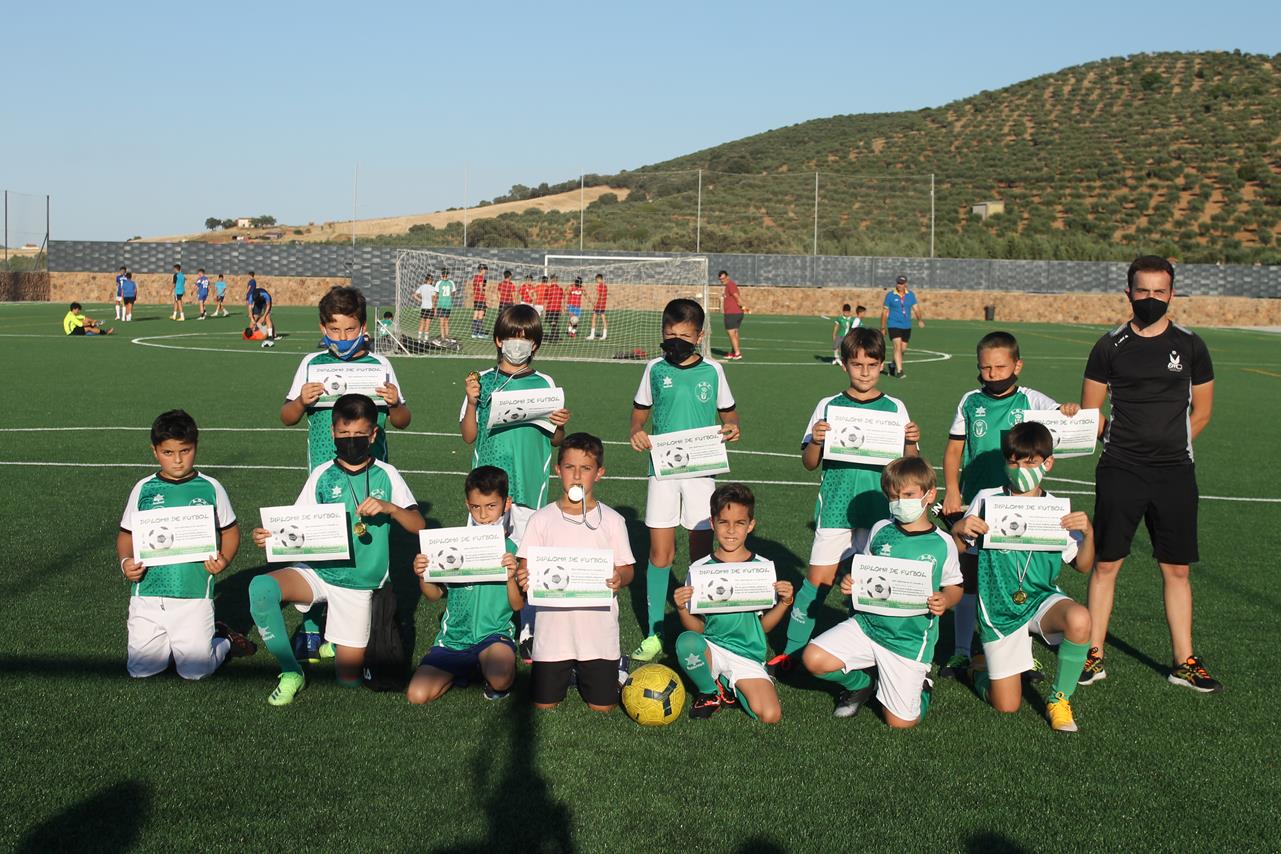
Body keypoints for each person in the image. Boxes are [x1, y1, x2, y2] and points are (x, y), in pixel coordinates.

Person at [1079, 255, 1220, 692]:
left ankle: (1184, 661)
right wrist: (1123, 444)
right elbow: (1091, 412)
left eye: (1160, 291)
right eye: (1143, 290)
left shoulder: (1191, 345)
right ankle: (1093, 654)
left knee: (1176, 569)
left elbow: (1203, 412)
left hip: (1175, 472)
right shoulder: (1109, 345)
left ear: (1172, 293)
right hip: (1120, 469)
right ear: (1128, 292)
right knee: (1106, 564)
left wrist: (1172, 445)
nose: (1152, 298)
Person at [249, 393, 425, 705]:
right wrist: (268, 536)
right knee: (261, 588)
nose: (351, 441)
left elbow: (418, 525)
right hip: (319, 572)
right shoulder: (321, 475)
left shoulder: (387, 474)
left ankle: (335, 638)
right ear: (332, 433)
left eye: (359, 435)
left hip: (358, 585)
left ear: (373, 435)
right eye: (344, 434)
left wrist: (391, 508)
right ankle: (291, 671)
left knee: (348, 678)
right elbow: (295, 524)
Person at [938, 331, 1081, 679]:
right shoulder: (970, 401)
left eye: (1000, 366)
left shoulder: (1031, 400)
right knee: (968, 577)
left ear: (1017, 365)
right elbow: (955, 450)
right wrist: (953, 491)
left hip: (1020, 504)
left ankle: (1022, 655)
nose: (993, 373)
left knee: (1019, 578)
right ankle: (961, 651)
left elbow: (1062, 413)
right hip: (978, 503)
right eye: (985, 367)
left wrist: (1068, 409)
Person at [778, 327, 920, 667]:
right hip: (837, 509)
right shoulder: (829, 406)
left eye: (872, 365)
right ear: (844, 365)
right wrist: (816, 439)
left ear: (882, 365)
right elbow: (810, 464)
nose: (865, 372)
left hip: (881, 512)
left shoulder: (895, 407)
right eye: (857, 365)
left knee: (874, 585)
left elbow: (910, 466)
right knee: (817, 582)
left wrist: (911, 440)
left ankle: (867, 655)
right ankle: (792, 651)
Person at [952, 421, 1096, 732]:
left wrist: (1089, 532)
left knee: (1080, 618)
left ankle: (1059, 699)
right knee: (1007, 706)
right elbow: (956, 551)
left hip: (1040, 600)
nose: (1020, 468)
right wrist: (960, 531)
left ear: (1048, 463)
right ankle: (977, 669)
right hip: (998, 608)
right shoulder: (987, 499)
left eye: (1030, 461)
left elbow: (1082, 565)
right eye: (1013, 461)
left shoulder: (1057, 510)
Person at [802, 456, 962, 726]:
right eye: (893, 496)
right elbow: (866, 571)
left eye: (909, 494)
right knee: (813, 658)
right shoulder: (880, 529)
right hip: (868, 626)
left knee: (900, 723)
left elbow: (955, 586)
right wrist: (852, 582)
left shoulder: (943, 543)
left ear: (930, 494)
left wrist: (945, 599)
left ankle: (922, 686)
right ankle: (861, 683)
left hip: (908, 641)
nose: (901, 502)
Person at [629, 298, 740, 662]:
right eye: (669, 335)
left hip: (701, 474)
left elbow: (729, 413)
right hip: (662, 472)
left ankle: (702, 625)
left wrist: (733, 428)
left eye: (684, 335)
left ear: (700, 336)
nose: (675, 341)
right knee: (661, 554)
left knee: (699, 552)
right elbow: (639, 415)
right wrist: (637, 432)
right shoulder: (654, 369)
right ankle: (654, 633)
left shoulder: (713, 371)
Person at [461, 304, 572, 657]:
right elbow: (467, 435)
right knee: (486, 556)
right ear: (498, 339)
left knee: (526, 560)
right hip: (488, 490)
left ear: (536, 344)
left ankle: (527, 630)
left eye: (526, 338)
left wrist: (561, 422)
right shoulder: (482, 381)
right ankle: (482, 626)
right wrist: (470, 400)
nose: (518, 344)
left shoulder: (546, 384)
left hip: (528, 487)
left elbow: (556, 439)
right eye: (511, 336)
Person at [118, 410, 255, 678]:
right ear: (155, 451)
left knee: (195, 673)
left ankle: (224, 641)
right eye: (168, 452)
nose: (178, 460)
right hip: (148, 595)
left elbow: (230, 531)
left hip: (194, 596)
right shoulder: (143, 488)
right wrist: (126, 562)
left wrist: (224, 559)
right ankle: (174, 642)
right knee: (141, 671)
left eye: (185, 450)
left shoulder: (210, 487)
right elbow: (126, 535)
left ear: (195, 447)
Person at [516, 433, 636, 711]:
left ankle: (615, 670)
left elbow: (627, 568)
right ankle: (568, 672)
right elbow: (526, 568)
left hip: (598, 633)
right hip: (552, 634)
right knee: (544, 705)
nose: (577, 475)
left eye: (586, 468)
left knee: (602, 707)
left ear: (600, 473)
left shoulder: (613, 521)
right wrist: (524, 576)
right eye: (570, 467)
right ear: (558, 471)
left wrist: (620, 578)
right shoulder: (541, 519)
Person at [674, 483, 793, 723]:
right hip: (713, 648)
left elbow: (764, 628)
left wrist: (784, 603)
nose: (731, 530)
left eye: (739, 523)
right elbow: (697, 630)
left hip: (747, 655)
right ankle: (709, 691)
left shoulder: (761, 568)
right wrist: (680, 608)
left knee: (770, 716)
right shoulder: (699, 570)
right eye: (723, 522)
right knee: (687, 642)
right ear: (712, 523)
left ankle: (727, 684)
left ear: (751, 525)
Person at [407, 466, 523, 705]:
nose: (483, 514)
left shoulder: (514, 548)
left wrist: (511, 576)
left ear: (506, 503)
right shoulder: (453, 542)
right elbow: (433, 595)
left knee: (500, 679)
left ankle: (484, 666)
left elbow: (517, 604)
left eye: (491, 506)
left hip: (493, 635)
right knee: (417, 695)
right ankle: (465, 668)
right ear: (467, 504)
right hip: (454, 638)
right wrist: (423, 575)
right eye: (476, 507)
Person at [880, 275, 924, 378]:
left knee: (903, 349)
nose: (900, 285)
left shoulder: (910, 295)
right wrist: (883, 327)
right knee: (897, 346)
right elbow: (884, 312)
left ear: (906, 284)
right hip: (893, 324)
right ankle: (900, 371)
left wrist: (920, 320)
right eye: (898, 283)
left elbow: (916, 308)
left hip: (906, 325)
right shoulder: (890, 295)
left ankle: (892, 364)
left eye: (902, 283)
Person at [718, 270, 746, 360]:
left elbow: (736, 296)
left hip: (732, 313)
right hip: (735, 313)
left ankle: (737, 353)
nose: (722, 280)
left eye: (723, 278)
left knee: (731, 333)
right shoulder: (728, 286)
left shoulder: (730, 285)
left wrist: (743, 306)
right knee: (735, 333)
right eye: (721, 279)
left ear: (728, 277)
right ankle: (734, 352)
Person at [413, 274, 437, 341]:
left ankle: (419, 339)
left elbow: (414, 295)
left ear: (426, 280)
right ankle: (425, 340)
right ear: (431, 280)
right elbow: (434, 300)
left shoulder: (422, 287)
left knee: (421, 324)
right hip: (430, 308)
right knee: (427, 324)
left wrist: (420, 300)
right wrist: (434, 309)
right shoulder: (432, 288)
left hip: (423, 307)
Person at [469, 263, 489, 339]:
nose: (486, 272)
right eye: (485, 270)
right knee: (480, 316)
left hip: (476, 298)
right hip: (480, 298)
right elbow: (481, 288)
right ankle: (480, 333)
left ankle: (474, 333)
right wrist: (485, 299)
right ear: (482, 270)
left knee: (475, 315)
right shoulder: (480, 277)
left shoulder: (475, 277)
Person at [587, 273, 608, 340]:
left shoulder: (599, 286)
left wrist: (594, 303)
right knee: (603, 319)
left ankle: (592, 335)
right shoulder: (605, 286)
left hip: (598, 304)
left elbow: (597, 296)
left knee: (593, 319)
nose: (596, 281)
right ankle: (604, 335)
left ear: (599, 279)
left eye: (596, 280)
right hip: (603, 304)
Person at [544, 275, 564, 341]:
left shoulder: (548, 289)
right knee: (554, 322)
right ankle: (555, 335)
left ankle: (554, 336)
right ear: (556, 280)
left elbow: (545, 300)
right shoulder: (560, 289)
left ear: (551, 280)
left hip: (550, 308)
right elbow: (562, 300)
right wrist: (562, 308)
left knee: (553, 322)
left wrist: (544, 310)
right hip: (557, 309)